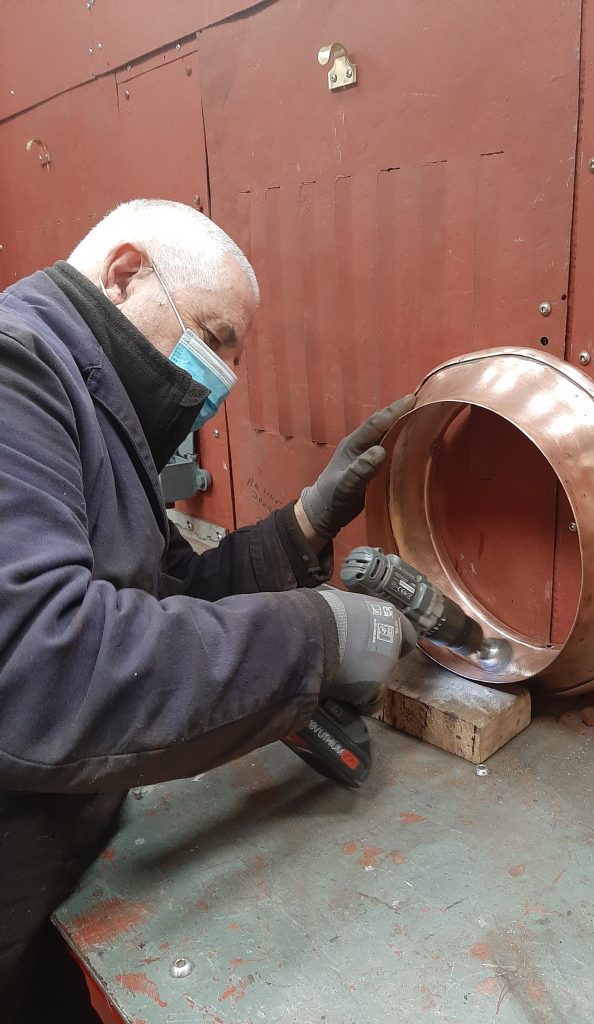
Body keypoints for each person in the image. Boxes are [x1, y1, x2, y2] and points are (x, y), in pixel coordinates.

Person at [0, 198, 416, 1021]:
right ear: (124, 278)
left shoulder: (91, 397)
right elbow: (41, 667)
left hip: (54, 871)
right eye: (216, 336)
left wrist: (303, 524)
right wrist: (320, 634)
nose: (223, 372)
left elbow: (161, 592)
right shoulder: (16, 372)